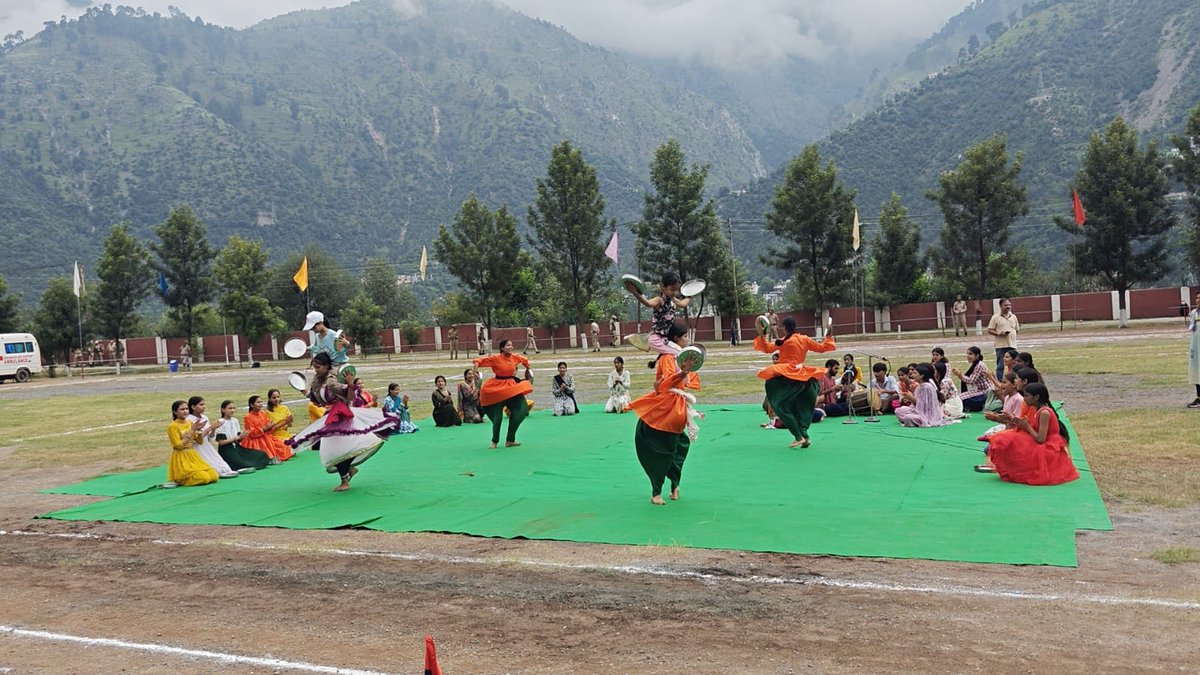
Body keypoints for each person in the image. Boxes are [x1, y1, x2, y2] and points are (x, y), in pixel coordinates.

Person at [287, 352, 401, 491]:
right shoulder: (317, 381)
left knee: (340, 450)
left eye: (318, 367)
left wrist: (350, 384)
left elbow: (350, 397)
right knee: (335, 451)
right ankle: (349, 471)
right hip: (330, 418)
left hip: (342, 416)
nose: (316, 370)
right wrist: (305, 391)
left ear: (326, 366)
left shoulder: (334, 379)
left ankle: (345, 480)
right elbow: (316, 399)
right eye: (314, 367)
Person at [629, 321, 701, 505]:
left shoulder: (675, 356)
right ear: (676, 338)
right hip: (669, 407)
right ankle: (666, 488)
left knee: (671, 448)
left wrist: (685, 371)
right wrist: (683, 372)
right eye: (685, 336)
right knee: (675, 446)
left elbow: (676, 383)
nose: (687, 339)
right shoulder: (669, 357)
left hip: (671, 409)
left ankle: (665, 489)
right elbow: (665, 384)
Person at [753, 315, 838, 447]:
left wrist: (762, 335)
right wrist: (829, 336)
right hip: (804, 377)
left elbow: (767, 349)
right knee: (801, 407)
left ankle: (798, 436)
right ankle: (805, 436)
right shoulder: (803, 339)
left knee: (779, 404)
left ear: (784, 328)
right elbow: (822, 348)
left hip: (788, 377)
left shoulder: (783, 341)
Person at [982, 382, 1078, 485]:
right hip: (1038, 440)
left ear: (1036, 397)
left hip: (1048, 446)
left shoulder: (1044, 412)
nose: (1024, 399)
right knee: (1004, 437)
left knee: (1009, 441)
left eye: (1027, 396)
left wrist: (1026, 426)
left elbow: (1041, 439)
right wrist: (1011, 419)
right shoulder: (1037, 410)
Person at [474, 339, 533, 448]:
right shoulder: (496, 358)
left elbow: (525, 360)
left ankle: (510, 440)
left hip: (511, 387)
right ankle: (494, 441)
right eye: (508, 345)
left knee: (522, 409)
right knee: (498, 416)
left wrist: (528, 369)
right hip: (498, 389)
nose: (511, 347)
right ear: (502, 348)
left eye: (511, 345)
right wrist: (475, 372)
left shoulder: (515, 357)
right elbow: (478, 360)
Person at [630, 272, 691, 361]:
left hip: (664, 339)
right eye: (672, 289)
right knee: (679, 353)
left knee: (677, 353)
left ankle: (664, 374)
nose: (675, 292)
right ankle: (677, 374)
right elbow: (647, 303)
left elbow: (682, 304)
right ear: (663, 287)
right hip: (656, 339)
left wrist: (691, 295)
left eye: (677, 290)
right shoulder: (659, 300)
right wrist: (635, 292)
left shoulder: (673, 300)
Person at [165, 400, 219, 487]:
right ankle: (182, 480)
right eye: (182, 409)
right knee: (204, 478)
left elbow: (199, 441)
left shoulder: (190, 423)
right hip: (181, 456)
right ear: (175, 412)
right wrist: (192, 430)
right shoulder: (173, 426)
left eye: (186, 409)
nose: (185, 411)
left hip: (193, 454)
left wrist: (199, 430)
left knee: (214, 476)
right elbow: (178, 446)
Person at [186, 397, 240, 479]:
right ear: (193, 407)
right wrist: (210, 428)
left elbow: (210, 436)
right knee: (213, 470)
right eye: (201, 405)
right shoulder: (188, 420)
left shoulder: (205, 417)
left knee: (225, 468)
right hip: (197, 448)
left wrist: (214, 428)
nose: (204, 406)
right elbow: (195, 439)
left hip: (207, 446)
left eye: (204, 404)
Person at [213, 400, 270, 471]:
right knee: (240, 463)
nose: (232, 410)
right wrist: (237, 437)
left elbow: (239, 440)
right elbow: (221, 442)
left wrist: (243, 436)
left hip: (237, 448)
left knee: (261, 454)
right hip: (226, 450)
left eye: (233, 408)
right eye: (230, 408)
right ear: (223, 410)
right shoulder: (220, 422)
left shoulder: (235, 421)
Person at [242, 395, 294, 464]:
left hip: (267, 436)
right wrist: (264, 429)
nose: (260, 404)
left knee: (285, 447)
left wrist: (270, 427)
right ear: (251, 405)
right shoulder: (247, 417)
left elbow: (270, 428)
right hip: (255, 440)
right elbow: (251, 433)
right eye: (258, 402)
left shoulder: (263, 413)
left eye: (261, 402)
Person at [895, 363, 946, 427]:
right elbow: (915, 405)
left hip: (927, 414)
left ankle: (916, 421)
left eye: (915, 373)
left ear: (922, 376)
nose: (912, 375)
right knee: (899, 411)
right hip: (917, 411)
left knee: (908, 417)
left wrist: (911, 398)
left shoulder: (926, 387)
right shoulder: (919, 386)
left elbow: (925, 407)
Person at [952, 346, 993, 412]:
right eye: (967, 354)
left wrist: (959, 374)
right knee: (959, 398)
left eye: (970, 354)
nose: (968, 356)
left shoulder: (979, 365)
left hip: (985, 391)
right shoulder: (976, 364)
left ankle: (980, 405)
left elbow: (971, 381)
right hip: (980, 390)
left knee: (960, 398)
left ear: (977, 355)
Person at [987, 298, 1020, 375]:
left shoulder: (1013, 317)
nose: (1008, 307)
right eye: (1005, 305)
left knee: (1014, 364)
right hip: (1000, 345)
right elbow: (989, 330)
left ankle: (1013, 379)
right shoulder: (995, 317)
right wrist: (998, 334)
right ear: (1000, 306)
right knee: (1000, 365)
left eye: (1009, 305)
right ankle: (999, 381)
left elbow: (1016, 329)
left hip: (1012, 344)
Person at [1189, 292, 1200, 408]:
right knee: (1196, 371)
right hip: (1196, 346)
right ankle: (1199, 397)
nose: (1198, 300)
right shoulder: (1193, 313)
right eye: (1197, 298)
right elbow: (1192, 329)